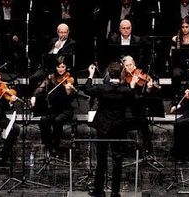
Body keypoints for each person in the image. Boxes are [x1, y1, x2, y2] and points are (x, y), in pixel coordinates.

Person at [84, 62, 136, 197]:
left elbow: (87, 89)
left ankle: (98, 190)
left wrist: (90, 75)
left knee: (101, 159)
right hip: (118, 126)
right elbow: (133, 101)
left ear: (108, 74)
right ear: (121, 74)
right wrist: (132, 85)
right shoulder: (125, 90)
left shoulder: (102, 88)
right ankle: (115, 192)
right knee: (117, 159)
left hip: (103, 126)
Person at [34, 57, 78, 156]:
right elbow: (40, 88)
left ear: (66, 67)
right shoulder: (51, 77)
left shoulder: (70, 78)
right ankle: (48, 144)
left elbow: (72, 96)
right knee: (43, 121)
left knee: (57, 121)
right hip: (54, 108)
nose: (61, 69)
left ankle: (56, 144)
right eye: (58, 67)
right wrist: (34, 96)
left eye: (63, 67)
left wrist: (69, 91)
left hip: (66, 109)